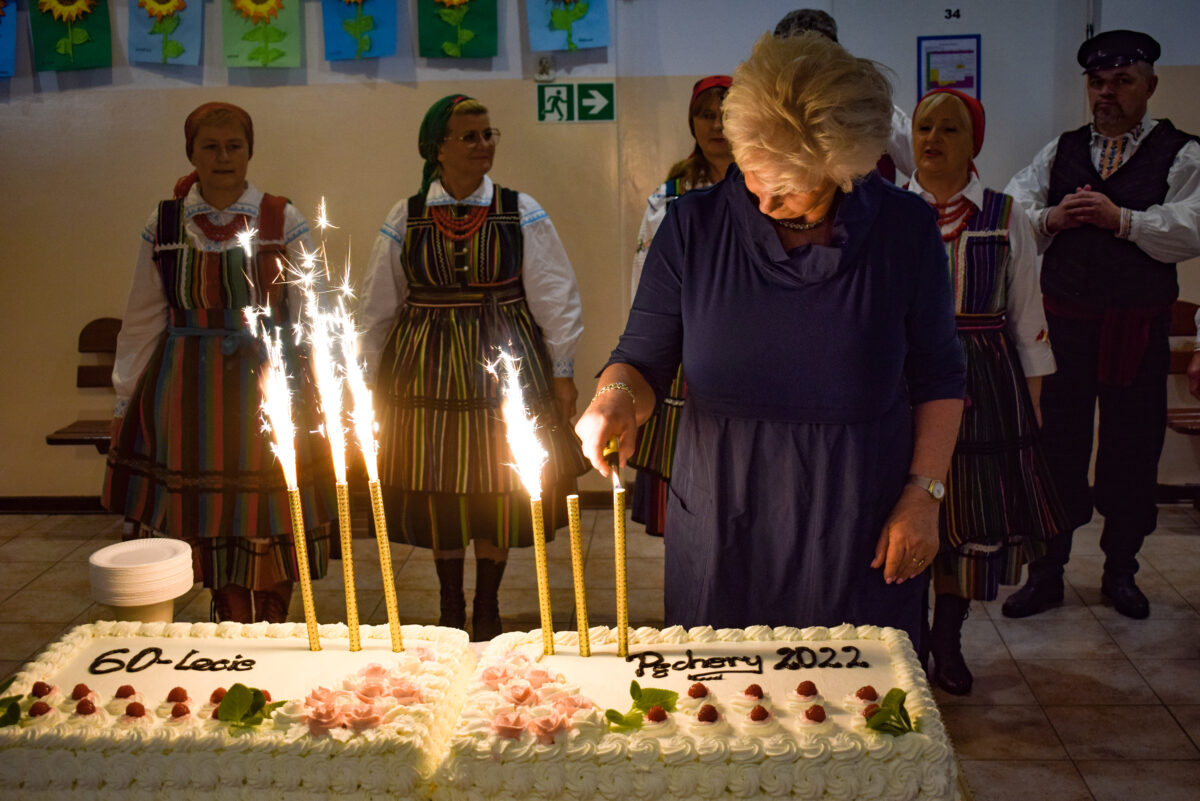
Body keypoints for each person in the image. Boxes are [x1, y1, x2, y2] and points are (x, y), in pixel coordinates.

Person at [575, 32, 966, 647]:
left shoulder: (904, 231)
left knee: (855, 709)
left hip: (859, 518)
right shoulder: (692, 228)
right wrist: (614, 399)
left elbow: (941, 377)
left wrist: (924, 496)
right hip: (722, 517)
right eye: (752, 176)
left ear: (843, 170)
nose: (762, 198)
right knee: (723, 706)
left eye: (788, 191)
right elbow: (640, 360)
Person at [361, 95, 587, 642]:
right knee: (440, 488)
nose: (483, 145)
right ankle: (448, 602)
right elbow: (377, 305)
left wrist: (561, 370)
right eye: (469, 136)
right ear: (436, 147)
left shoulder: (520, 209)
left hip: (503, 366)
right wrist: (365, 382)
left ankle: (486, 604)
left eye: (489, 134)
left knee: (498, 486)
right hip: (425, 372)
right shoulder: (406, 214)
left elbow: (556, 296)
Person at [103, 102, 335, 624]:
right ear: (192, 153)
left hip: (269, 385)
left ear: (250, 151)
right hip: (188, 390)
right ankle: (228, 611)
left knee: (270, 505)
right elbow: (142, 317)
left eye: (234, 146)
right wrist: (126, 399)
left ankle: (272, 611)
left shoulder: (282, 218)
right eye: (210, 146)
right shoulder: (164, 223)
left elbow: (313, 311)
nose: (223, 156)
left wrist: (326, 390)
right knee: (208, 511)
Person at [1003, 30, 1200, 621]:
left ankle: (1121, 570)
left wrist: (1124, 220)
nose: (1107, 92)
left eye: (1122, 81)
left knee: (1132, 449)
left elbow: (1192, 228)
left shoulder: (1183, 152)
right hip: (1064, 327)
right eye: (1097, 82)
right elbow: (1014, 213)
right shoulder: (1059, 150)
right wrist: (1053, 218)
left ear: (1150, 86)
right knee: (1056, 448)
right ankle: (1047, 572)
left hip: (1136, 331)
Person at [907, 89, 1069, 694]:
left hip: (985, 381)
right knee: (904, 505)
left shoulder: (1005, 216)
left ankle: (946, 641)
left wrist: (1030, 403)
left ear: (974, 142)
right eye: (925, 127)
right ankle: (909, 637)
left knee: (967, 515)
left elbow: (1028, 317)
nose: (933, 139)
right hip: (905, 379)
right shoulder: (890, 213)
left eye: (950, 129)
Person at [628, 74, 733, 537]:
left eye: (726, 116)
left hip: (740, 351)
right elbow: (644, 284)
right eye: (706, 115)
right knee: (683, 485)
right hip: (682, 352)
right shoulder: (669, 198)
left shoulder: (768, 192)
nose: (716, 126)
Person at [774, 8, 915, 182]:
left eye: (817, 55)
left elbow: (933, 166)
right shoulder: (760, 113)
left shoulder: (872, 111)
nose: (809, 69)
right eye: (798, 58)